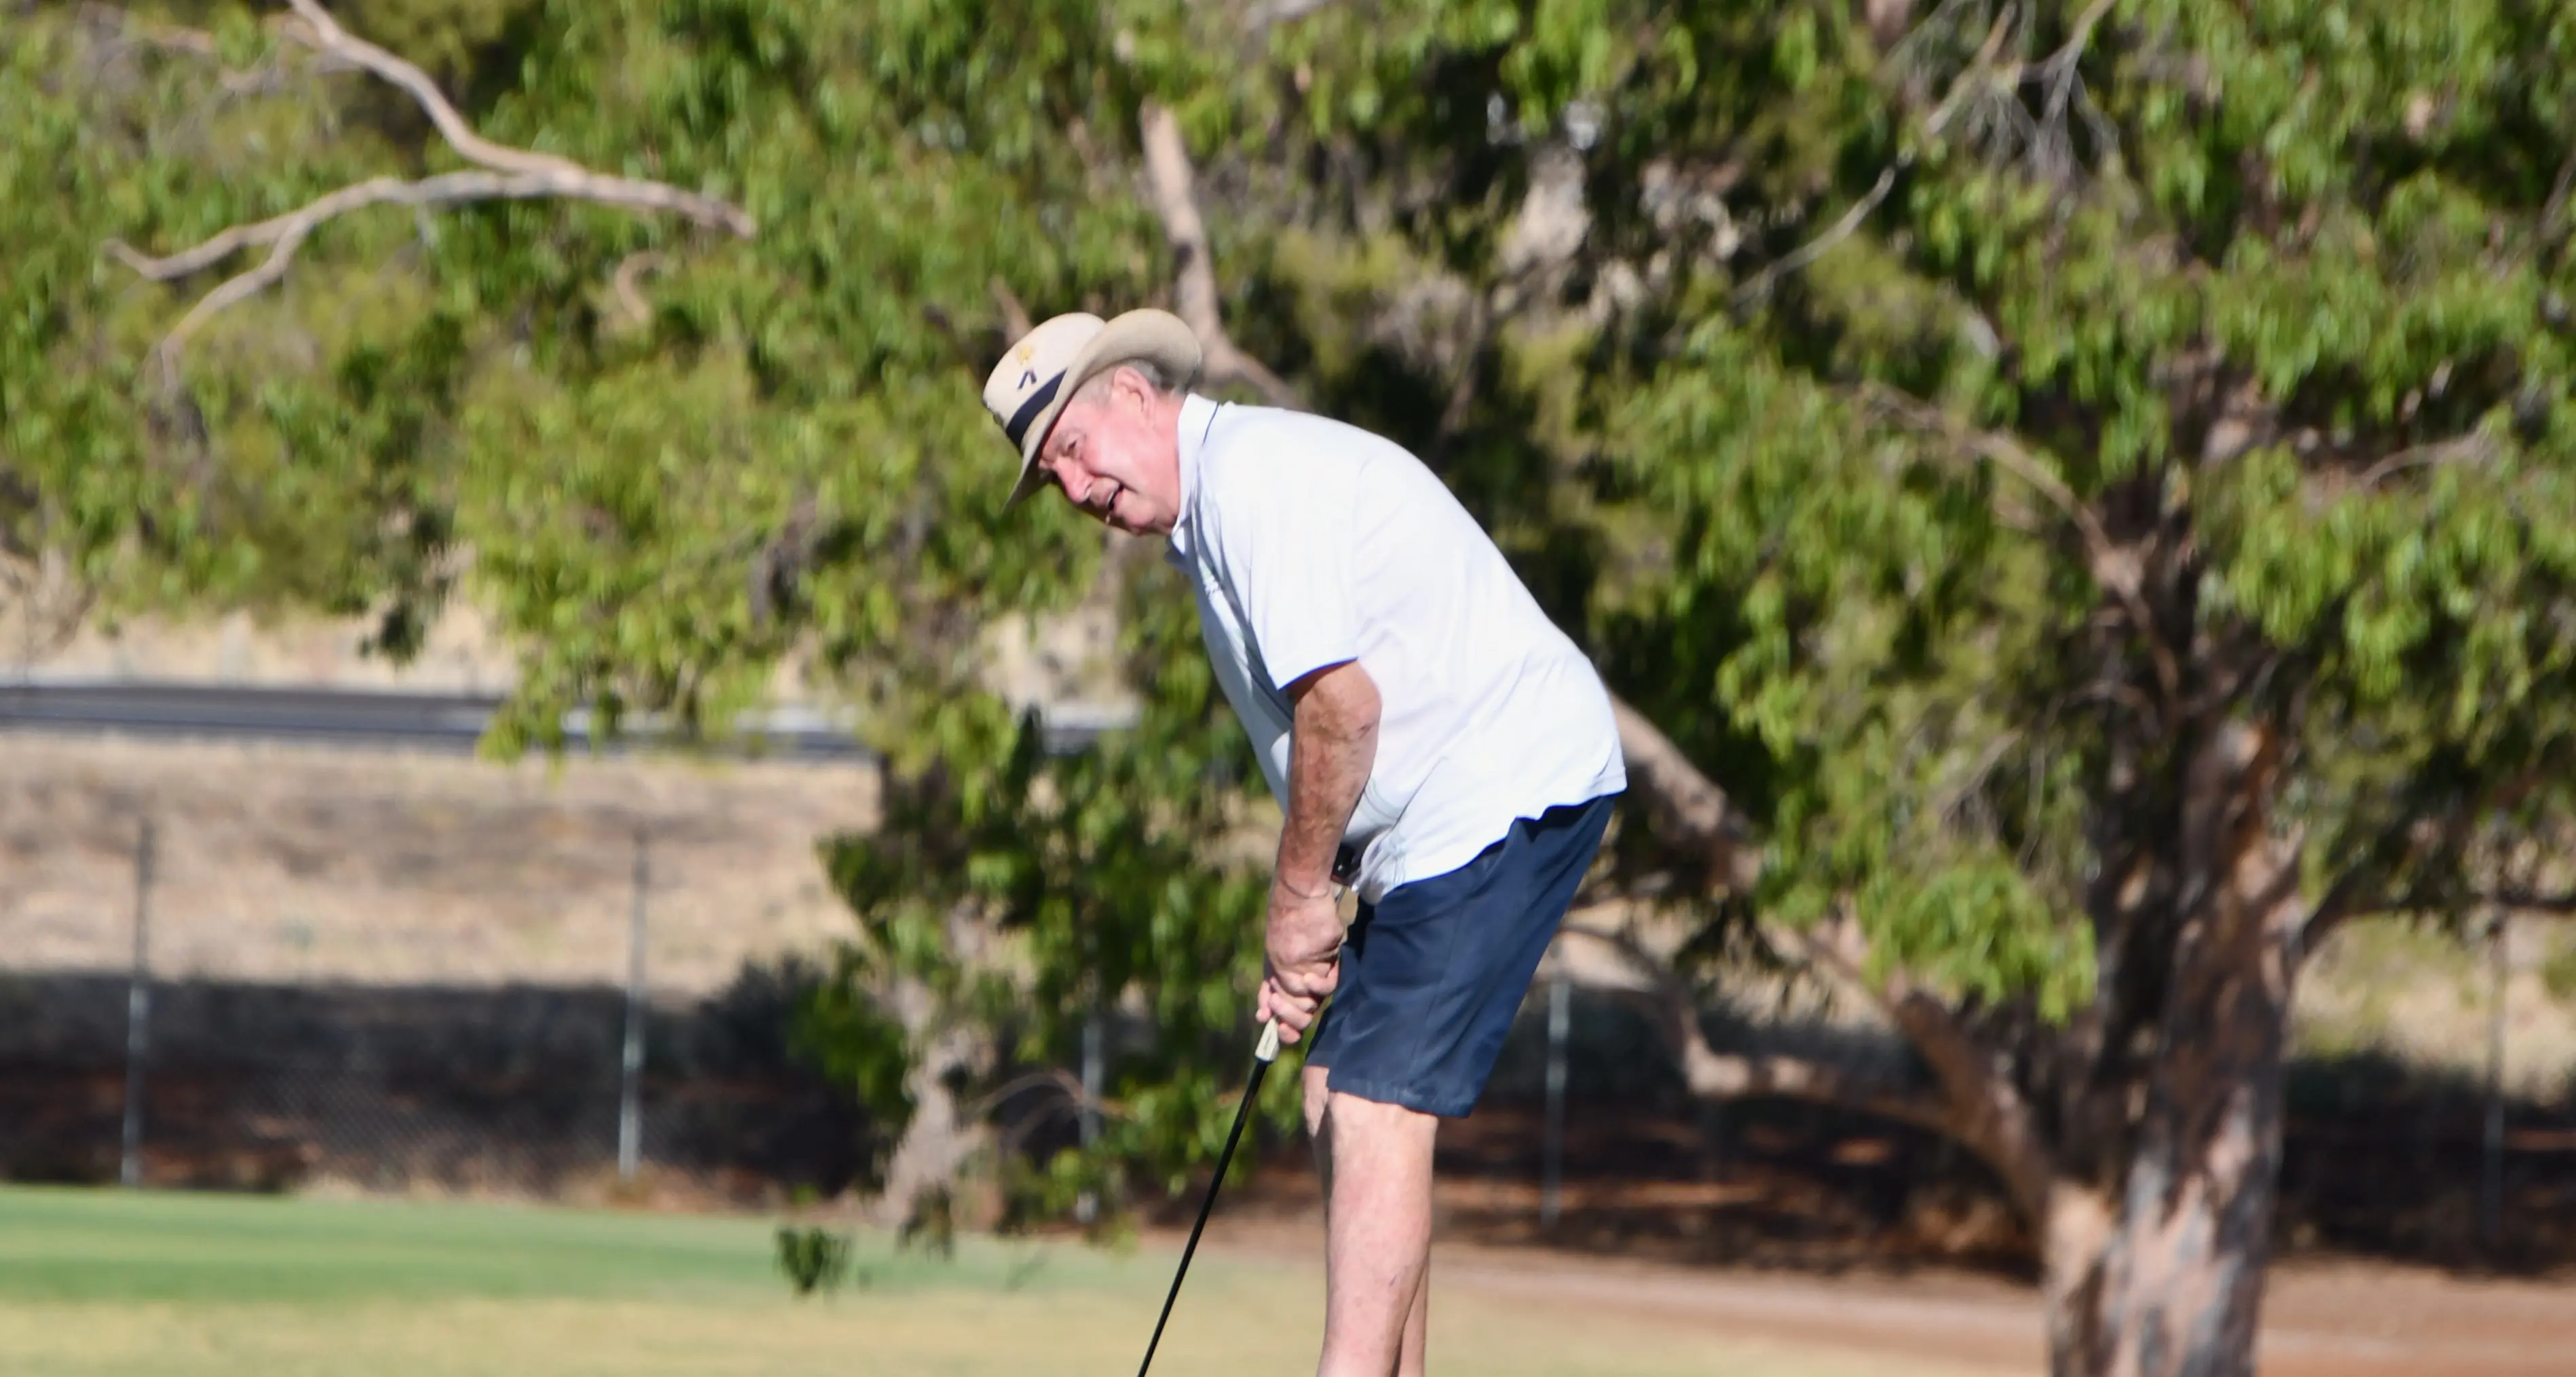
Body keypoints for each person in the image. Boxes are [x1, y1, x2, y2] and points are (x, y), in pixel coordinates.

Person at [979, 309, 1625, 1377]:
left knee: (1374, 1103)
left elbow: (1340, 708)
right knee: (1337, 1091)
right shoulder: (1209, 521)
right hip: (1424, 830)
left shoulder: (1250, 482)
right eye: (1053, 478)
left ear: (1133, 396)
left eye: (1076, 450)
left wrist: (1297, 902)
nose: (1079, 490)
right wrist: (1319, 901)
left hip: (1506, 781)